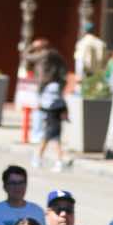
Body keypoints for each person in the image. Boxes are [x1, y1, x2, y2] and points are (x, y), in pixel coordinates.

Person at [30, 43, 69, 172]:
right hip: (54, 111)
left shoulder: (49, 85)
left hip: (51, 112)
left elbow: (27, 56)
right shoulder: (57, 83)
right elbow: (60, 101)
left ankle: (48, 159)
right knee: (51, 137)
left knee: (50, 137)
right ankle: (47, 159)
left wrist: (31, 47)